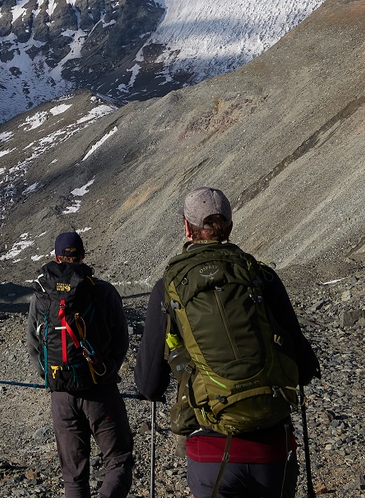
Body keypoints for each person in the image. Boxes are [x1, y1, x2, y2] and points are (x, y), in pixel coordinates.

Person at [134, 187, 320, 498]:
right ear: (230, 226)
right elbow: (302, 368)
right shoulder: (262, 277)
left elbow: (149, 385)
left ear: (186, 227)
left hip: (210, 450)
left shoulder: (167, 289)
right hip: (272, 449)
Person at [26, 231, 134, 498]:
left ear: (55, 257)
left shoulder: (41, 296)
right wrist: (107, 370)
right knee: (118, 460)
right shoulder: (103, 291)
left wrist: (51, 377)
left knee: (74, 476)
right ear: (83, 255)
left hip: (61, 393)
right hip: (100, 390)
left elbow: (34, 344)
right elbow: (121, 340)